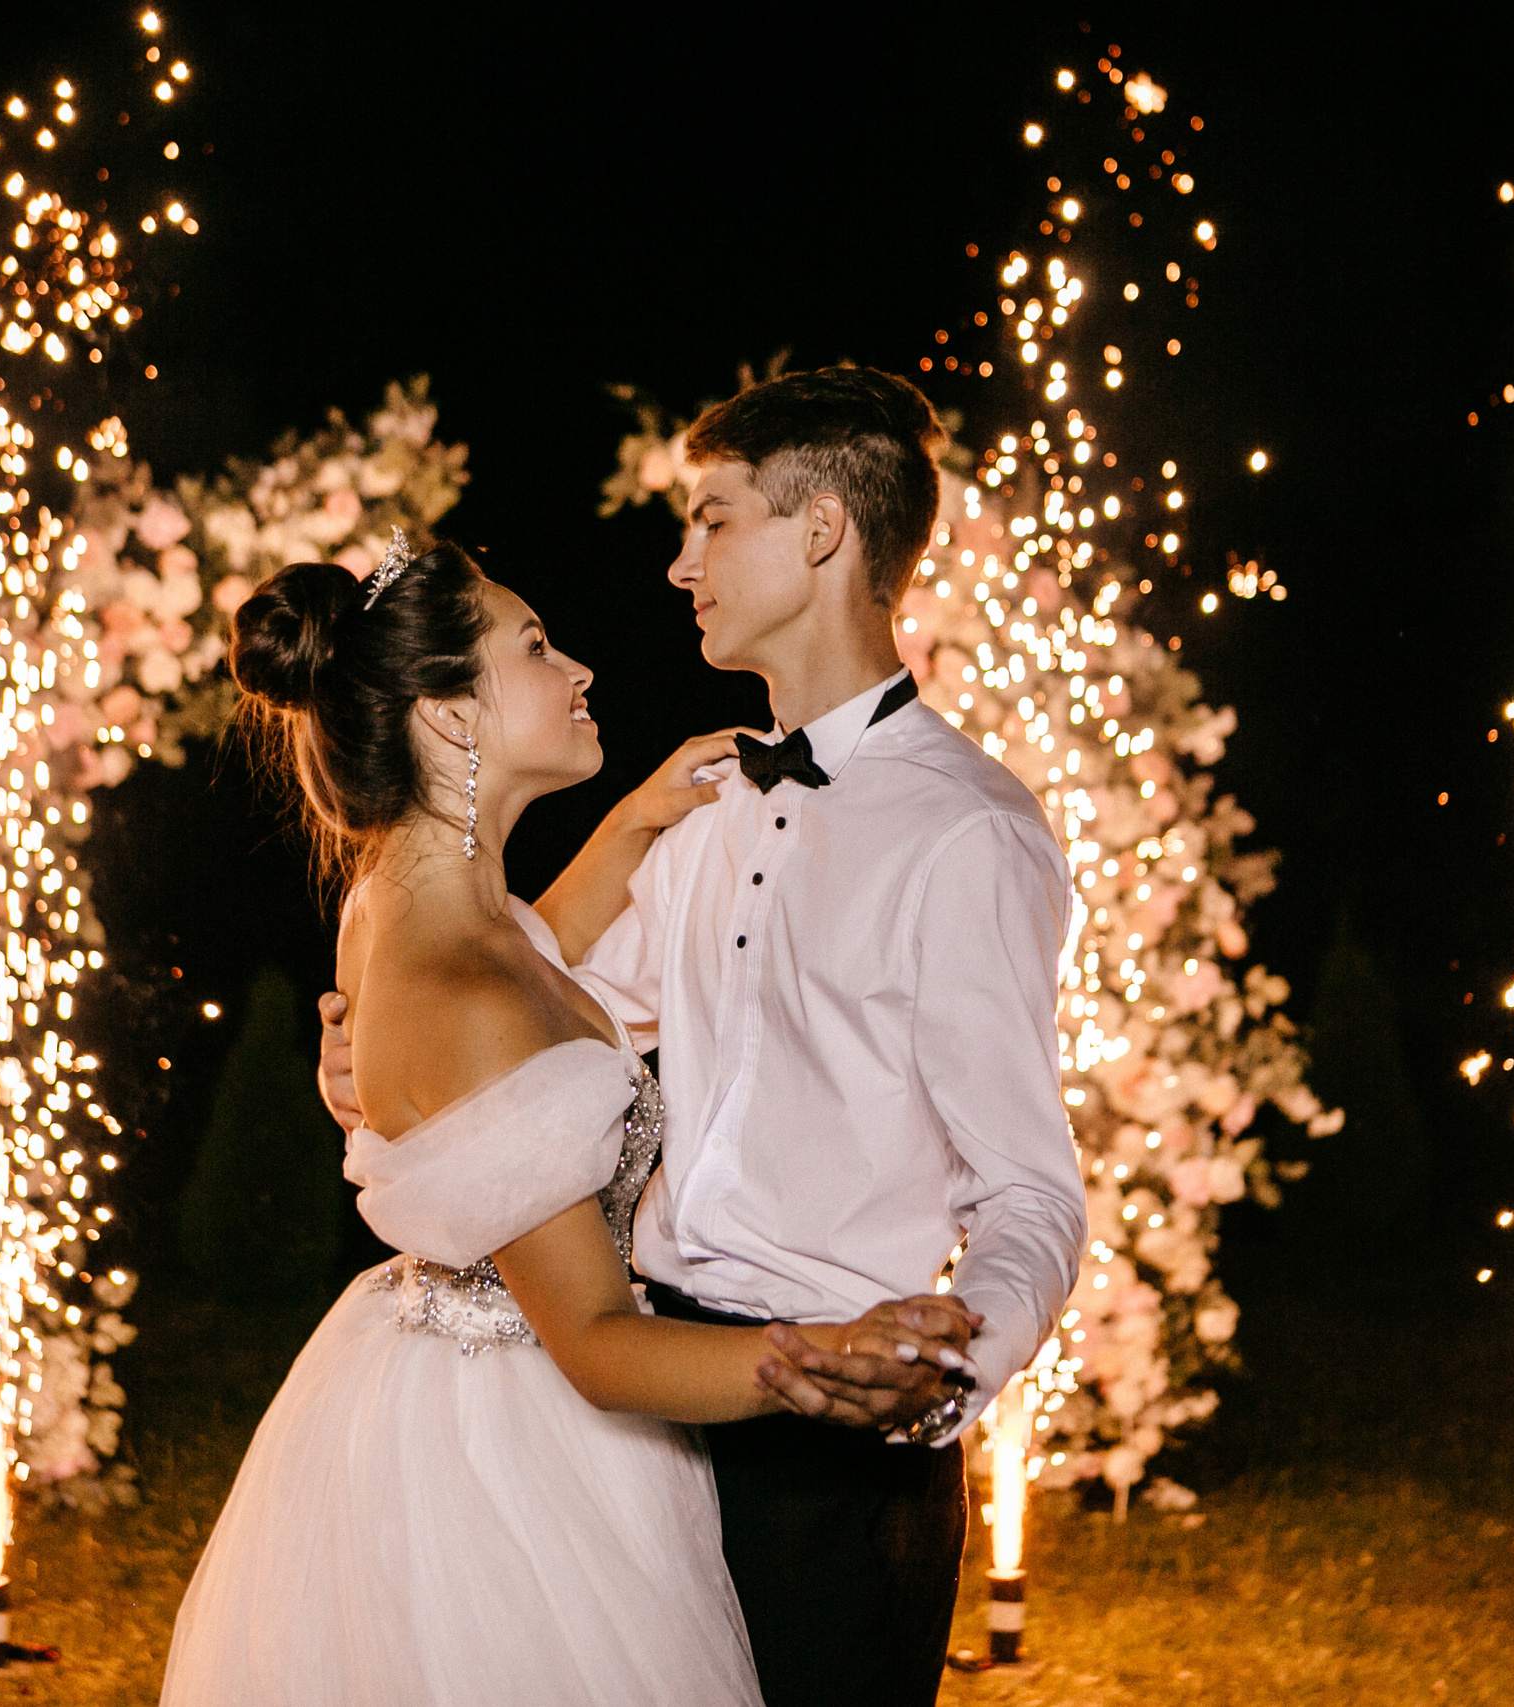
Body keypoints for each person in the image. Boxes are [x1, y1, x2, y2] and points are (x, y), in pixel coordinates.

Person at [322, 368, 1086, 1704]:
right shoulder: (704, 803)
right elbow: (543, 1023)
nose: (680, 564)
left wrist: (948, 1361)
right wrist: (379, 1064)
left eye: (714, 519)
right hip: (644, 1422)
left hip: (839, 1441)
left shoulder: (969, 834)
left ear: (823, 530)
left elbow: (1031, 1184)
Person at [159, 533, 977, 1707]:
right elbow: (593, 1341)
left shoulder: (398, 904)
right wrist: (812, 1366)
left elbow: (537, 953)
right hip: (521, 1466)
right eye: (535, 648)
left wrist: (637, 820)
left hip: (414, 1378)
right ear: (447, 717)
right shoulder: (472, 995)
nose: (580, 668)